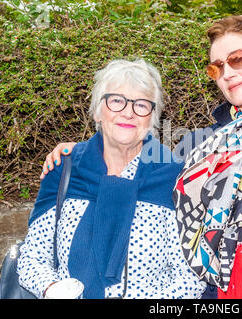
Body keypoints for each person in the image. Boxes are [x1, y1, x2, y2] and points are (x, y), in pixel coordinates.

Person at [41, 13, 242, 299]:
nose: (227, 72)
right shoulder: (203, 149)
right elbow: (133, 150)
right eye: (217, 66)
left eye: (238, 58)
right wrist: (78, 150)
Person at [18, 58, 206, 299]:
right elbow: (32, 257)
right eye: (116, 100)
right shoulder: (65, 170)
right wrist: (53, 289)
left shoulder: (173, 178)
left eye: (141, 104)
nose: (128, 112)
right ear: (98, 111)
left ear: (152, 118)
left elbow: (191, 276)